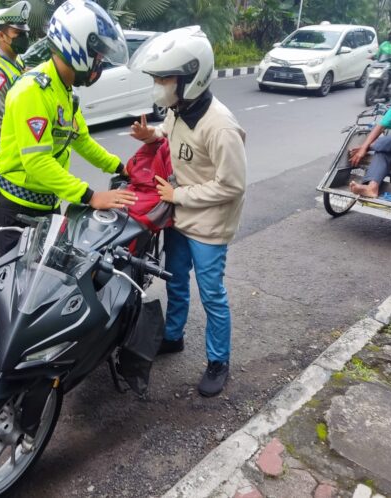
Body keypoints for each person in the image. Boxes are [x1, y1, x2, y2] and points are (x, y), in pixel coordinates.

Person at [129, 26, 247, 397]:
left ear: (191, 78)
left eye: (166, 78)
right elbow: (170, 132)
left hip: (209, 223)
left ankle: (218, 361)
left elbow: (233, 185)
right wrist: (153, 137)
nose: (160, 85)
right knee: (176, 281)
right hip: (179, 214)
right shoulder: (179, 110)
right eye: (158, 78)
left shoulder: (221, 127)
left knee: (211, 294)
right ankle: (174, 336)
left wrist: (179, 195)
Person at [0, 0, 137, 257]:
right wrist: (89, 196)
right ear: (77, 47)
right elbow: (37, 161)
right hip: (17, 211)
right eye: (98, 55)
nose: (100, 63)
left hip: (47, 205)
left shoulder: (66, 91)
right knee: (23, 291)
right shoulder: (33, 91)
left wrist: (120, 167)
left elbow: (81, 140)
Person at [349, 63, 391, 198]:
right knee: (384, 150)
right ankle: (372, 187)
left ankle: (373, 147)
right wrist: (364, 146)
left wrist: (366, 147)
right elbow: (381, 125)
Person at [0, 1, 31, 164]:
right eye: (18, 33)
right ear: (1, 36)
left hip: (24, 149)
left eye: (25, 33)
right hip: (10, 157)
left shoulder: (17, 62)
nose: (24, 38)